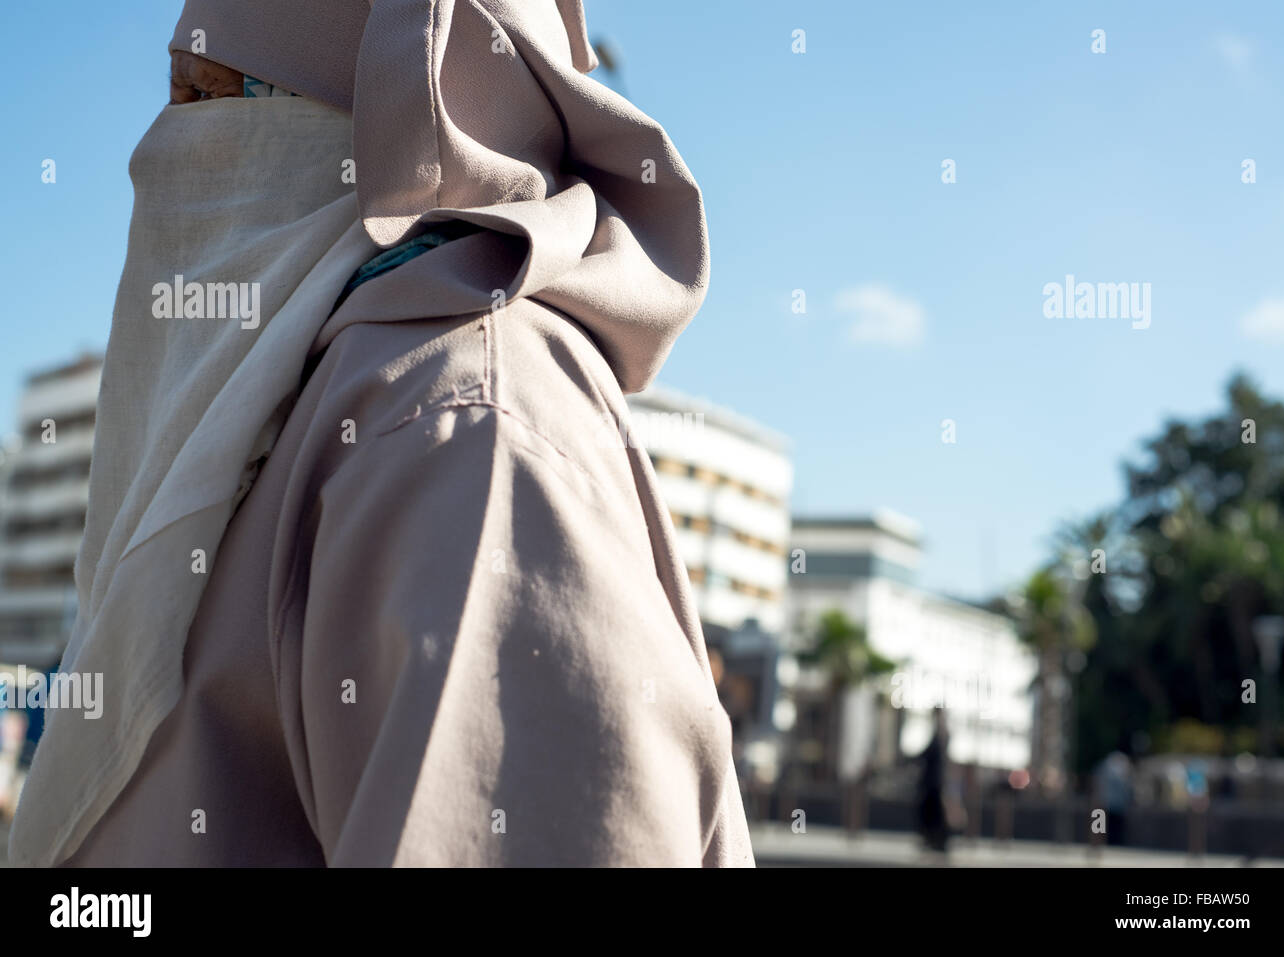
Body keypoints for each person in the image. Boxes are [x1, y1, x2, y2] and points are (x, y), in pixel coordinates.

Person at [9, 0, 753, 867]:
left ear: (384, 126)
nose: (166, 140)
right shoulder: (303, 407)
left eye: (208, 97)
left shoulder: (464, 435)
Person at [917, 707, 950, 853]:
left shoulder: (942, 733)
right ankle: (932, 840)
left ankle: (937, 841)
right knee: (930, 811)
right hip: (932, 780)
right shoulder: (939, 732)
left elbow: (931, 754)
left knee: (934, 812)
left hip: (934, 781)